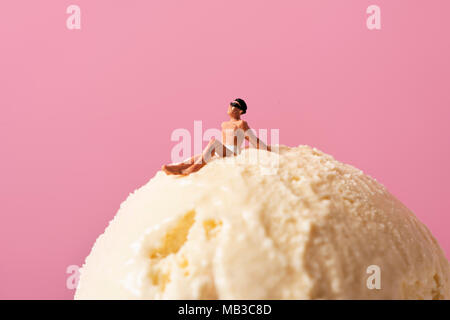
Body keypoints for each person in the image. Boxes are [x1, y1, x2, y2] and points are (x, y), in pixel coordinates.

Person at [162, 98, 271, 176]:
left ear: (241, 111)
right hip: (222, 151)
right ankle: (179, 167)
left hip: (232, 153)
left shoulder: (241, 124)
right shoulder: (224, 124)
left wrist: (266, 148)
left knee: (213, 142)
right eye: (231, 103)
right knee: (196, 157)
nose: (231, 106)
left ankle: (194, 169)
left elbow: (252, 139)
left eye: (235, 105)